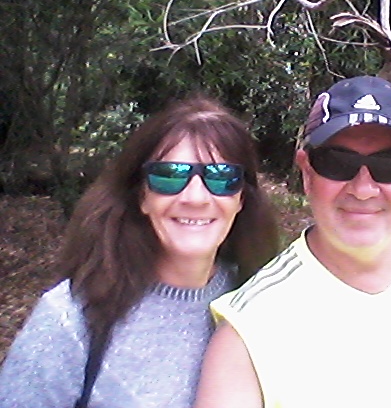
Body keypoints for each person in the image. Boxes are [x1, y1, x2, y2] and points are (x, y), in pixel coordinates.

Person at [194, 76, 391, 408]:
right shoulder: (249, 325)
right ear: (306, 171)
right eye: (337, 163)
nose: (363, 189)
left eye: (390, 165)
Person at [0, 95, 280, 407]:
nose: (196, 197)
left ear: (241, 198)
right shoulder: (71, 318)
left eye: (221, 177)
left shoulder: (258, 305)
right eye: (170, 175)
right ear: (142, 197)